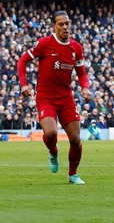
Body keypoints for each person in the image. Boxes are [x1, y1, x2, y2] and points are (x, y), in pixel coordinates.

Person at [17, 10, 93, 184]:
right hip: (46, 97)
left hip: (66, 98)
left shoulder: (76, 47)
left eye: (67, 23)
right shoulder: (45, 44)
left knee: (75, 139)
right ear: (54, 27)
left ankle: (73, 174)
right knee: (51, 133)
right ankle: (53, 151)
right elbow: (22, 61)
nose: (65, 27)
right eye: (61, 24)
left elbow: (82, 73)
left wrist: (86, 88)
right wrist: (23, 84)